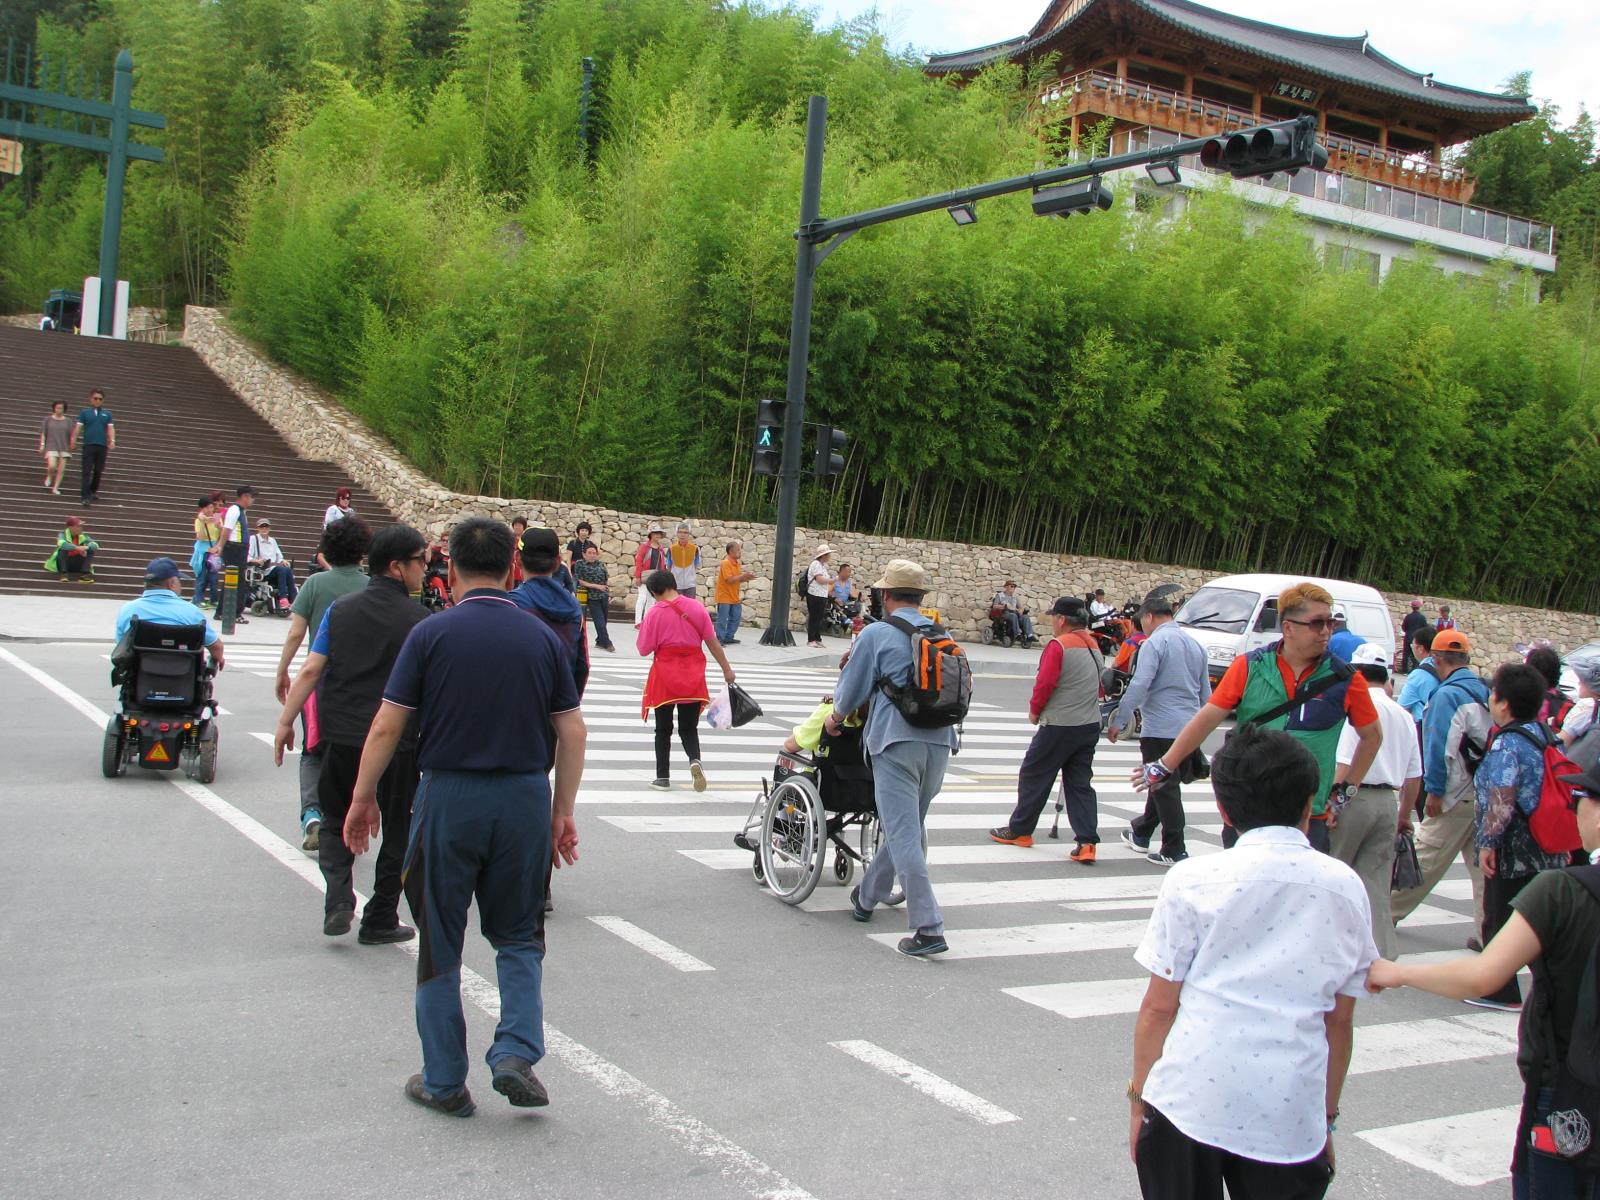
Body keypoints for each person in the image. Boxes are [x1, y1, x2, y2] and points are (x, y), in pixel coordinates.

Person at [345, 516, 586, 1116]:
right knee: (519, 933)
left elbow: (387, 724)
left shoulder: (431, 635)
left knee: (440, 939)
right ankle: (515, 1051)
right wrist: (563, 811)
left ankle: (445, 1081)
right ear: (512, 568)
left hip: (450, 795)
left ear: (447, 569)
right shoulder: (542, 639)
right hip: (525, 796)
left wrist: (361, 796)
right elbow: (571, 731)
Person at [1128, 725, 1370, 1200]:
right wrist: (1325, 1122)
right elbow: (1339, 1021)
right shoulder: (1343, 886)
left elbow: (1159, 1007)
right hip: (1288, 1114)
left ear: (1224, 808)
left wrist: (1139, 1103)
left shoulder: (1194, 879)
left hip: (1188, 1100)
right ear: (1308, 804)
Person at [1367, 760, 1600, 1197]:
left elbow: (1483, 975)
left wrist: (1397, 972)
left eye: (1581, 800)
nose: (1575, 810)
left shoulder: (1563, 891)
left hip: (1568, 1091)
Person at [1132, 581, 1381, 854]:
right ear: (1288, 627)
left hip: (1309, 816)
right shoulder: (1250, 666)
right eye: (1317, 623)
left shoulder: (1346, 679)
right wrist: (1164, 765)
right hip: (1248, 810)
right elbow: (1208, 718)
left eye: (1330, 623)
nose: (1326, 632)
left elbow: (1372, 737)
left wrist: (1345, 793)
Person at [272, 525, 429, 944]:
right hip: (398, 743)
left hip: (342, 737)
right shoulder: (422, 622)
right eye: (419, 561)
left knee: (335, 818)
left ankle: (339, 896)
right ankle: (380, 915)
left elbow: (311, 668)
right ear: (397, 567)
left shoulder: (341, 610)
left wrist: (287, 721)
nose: (424, 568)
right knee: (398, 828)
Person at [830, 559, 959, 956]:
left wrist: (835, 721)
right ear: (920, 597)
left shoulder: (876, 633)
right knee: (908, 825)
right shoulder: (941, 633)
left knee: (902, 833)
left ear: (885, 596)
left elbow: (850, 693)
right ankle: (866, 897)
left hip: (894, 743)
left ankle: (929, 927)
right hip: (940, 742)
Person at [1470, 662, 1573, 1011]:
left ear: (1503, 702)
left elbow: (1501, 797)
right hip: (1547, 843)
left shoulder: (1508, 743)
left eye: (1493, 693)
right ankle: (1557, 991)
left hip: (1515, 846)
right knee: (1542, 920)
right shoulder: (1546, 734)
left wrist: (1488, 843)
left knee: (1499, 916)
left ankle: (1500, 989)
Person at [275, 516, 373, 853]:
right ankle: (349, 814)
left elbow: (295, 633)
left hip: (320, 683)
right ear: (363, 550)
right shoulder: (371, 585)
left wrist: (282, 671)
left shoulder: (315, 585)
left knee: (313, 752)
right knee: (357, 750)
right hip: (364, 684)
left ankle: (313, 813)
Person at [990, 597, 1104, 863]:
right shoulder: (1094, 644)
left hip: (1059, 724)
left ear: (1062, 619)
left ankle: (1020, 830)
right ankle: (1087, 842)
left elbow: (1045, 683)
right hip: (1088, 725)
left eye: (1054, 617)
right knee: (1079, 784)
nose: (1052, 621)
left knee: (1034, 774)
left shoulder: (1059, 645)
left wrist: (1034, 710)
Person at [1393, 629, 1490, 935]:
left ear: (1435, 658)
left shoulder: (1447, 695)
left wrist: (1433, 791)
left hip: (1455, 792)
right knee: (1482, 870)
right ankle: (1489, 931)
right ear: (1466, 658)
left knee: (1425, 857)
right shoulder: (1485, 691)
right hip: (1483, 792)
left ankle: (1383, 912)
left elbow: (1437, 747)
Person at [1331, 643, 1422, 959]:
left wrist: (1336, 803)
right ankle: (1380, 953)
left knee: (1334, 872)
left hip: (1354, 797)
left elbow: (1344, 761)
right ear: (1386, 677)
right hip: (1388, 801)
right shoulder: (1403, 715)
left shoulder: (1355, 705)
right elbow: (1414, 775)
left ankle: (1331, 948)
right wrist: (1404, 815)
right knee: (1375, 882)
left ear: (1355, 672)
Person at [1109, 590, 1211, 866]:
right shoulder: (1195, 645)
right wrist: (1203, 727)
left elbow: (1140, 684)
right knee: (1161, 780)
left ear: (1150, 616)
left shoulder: (1154, 644)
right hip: (1188, 727)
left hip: (1160, 728)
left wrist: (1120, 719)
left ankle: (1174, 848)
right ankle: (1141, 832)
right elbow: (1206, 693)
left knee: (1165, 787)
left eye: (1142, 621)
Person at [638, 568, 735, 791]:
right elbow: (712, 643)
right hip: (692, 674)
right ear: (674, 584)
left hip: (665, 674)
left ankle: (662, 777)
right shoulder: (696, 607)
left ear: (654, 591)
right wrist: (727, 670)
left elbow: (644, 649)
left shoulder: (654, 613)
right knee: (688, 728)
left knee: (663, 729)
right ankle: (695, 761)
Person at [510, 529, 591, 698]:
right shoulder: (574, 607)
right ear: (557, 562)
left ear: (517, 559)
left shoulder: (511, 604)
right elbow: (582, 665)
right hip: (560, 702)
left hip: (520, 702)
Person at [115, 558, 226, 673]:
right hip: (183, 681)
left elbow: (120, 647)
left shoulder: (128, 610)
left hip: (140, 680)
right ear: (171, 584)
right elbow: (217, 648)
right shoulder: (190, 612)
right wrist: (216, 658)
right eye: (179, 581)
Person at [215, 486, 256, 625]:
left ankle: (222, 611)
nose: (252, 500)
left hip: (240, 548)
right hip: (234, 548)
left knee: (231, 581)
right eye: (251, 497)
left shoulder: (242, 512)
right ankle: (235, 613)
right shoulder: (234, 510)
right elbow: (227, 530)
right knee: (237, 582)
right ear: (244, 496)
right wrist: (220, 545)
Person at [70, 388, 113, 506]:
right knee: (86, 471)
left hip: (102, 445)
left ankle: (93, 490)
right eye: (95, 398)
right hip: (89, 445)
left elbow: (110, 428)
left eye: (100, 399)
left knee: (98, 470)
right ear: (91, 399)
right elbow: (78, 427)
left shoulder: (107, 414)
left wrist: (112, 440)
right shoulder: (85, 413)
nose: (98, 401)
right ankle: (85, 496)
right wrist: (73, 439)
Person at [572, 543, 615, 652]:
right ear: (584, 554)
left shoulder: (600, 564)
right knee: (599, 620)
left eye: (594, 553)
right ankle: (607, 643)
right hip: (591, 596)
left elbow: (605, 578)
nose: (592, 555)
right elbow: (580, 581)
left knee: (604, 620)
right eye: (589, 553)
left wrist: (606, 588)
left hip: (603, 595)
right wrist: (596, 586)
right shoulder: (580, 564)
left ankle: (600, 641)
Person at [714, 540, 758, 645]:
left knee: (736, 618)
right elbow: (729, 579)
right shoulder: (725, 563)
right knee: (722, 619)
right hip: (724, 596)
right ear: (730, 551)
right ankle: (719, 639)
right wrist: (742, 576)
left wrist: (746, 578)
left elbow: (737, 579)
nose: (740, 552)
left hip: (734, 596)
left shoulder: (737, 564)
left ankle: (728, 637)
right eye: (737, 549)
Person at [248, 519, 297, 612]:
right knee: (282, 570)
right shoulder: (253, 539)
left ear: (269, 528)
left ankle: (293, 599)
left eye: (266, 526)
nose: (264, 528)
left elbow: (279, 557)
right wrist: (257, 561)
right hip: (262, 570)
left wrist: (283, 561)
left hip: (275, 568)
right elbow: (248, 556)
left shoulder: (272, 541)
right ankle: (284, 599)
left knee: (287, 569)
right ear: (258, 528)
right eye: (262, 526)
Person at [1396, 624, 1439, 722]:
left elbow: (1401, 708)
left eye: (1412, 646)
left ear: (1420, 649)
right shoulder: (1444, 667)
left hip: (1424, 728)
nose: (1412, 648)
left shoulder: (1418, 675)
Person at [633, 524, 670, 625]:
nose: (658, 535)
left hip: (655, 577)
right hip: (644, 576)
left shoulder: (660, 548)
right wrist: (637, 576)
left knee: (651, 600)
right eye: (656, 533)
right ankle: (637, 622)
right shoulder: (644, 547)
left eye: (659, 533)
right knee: (642, 597)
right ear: (651, 534)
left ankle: (646, 622)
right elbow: (639, 561)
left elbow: (662, 563)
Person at [43, 516, 98, 582]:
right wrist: (77, 548)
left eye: (81, 526)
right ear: (71, 527)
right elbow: (61, 543)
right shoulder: (63, 534)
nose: (81, 528)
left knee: (91, 550)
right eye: (78, 526)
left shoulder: (83, 535)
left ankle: (84, 575)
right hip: (62, 564)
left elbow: (95, 545)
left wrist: (87, 547)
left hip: (76, 564)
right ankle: (64, 575)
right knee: (63, 549)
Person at [190, 496, 221, 606]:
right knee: (201, 576)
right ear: (202, 509)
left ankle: (214, 600)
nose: (210, 510)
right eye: (207, 508)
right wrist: (203, 523)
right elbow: (200, 537)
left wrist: (220, 527)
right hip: (202, 550)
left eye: (211, 507)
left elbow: (220, 536)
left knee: (214, 577)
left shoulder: (217, 518)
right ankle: (199, 599)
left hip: (213, 550)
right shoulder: (199, 520)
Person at [804, 543, 837, 648]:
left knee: (819, 617)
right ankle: (811, 639)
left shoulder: (822, 566)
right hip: (814, 594)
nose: (829, 556)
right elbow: (820, 580)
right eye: (828, 554)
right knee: (814, 617)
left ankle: (817, 638)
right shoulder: (816, 564)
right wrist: (832, 580)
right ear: (823, 555)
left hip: (821, 595)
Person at [38, 399, 71, 495]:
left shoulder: (68, 421)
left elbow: (71, 434)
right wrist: (42, 445)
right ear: (54, 408)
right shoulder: (48, 420)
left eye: (61, 408)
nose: (59, 410)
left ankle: (55, 488)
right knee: (52, 465)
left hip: (64, 446)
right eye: (57, 408)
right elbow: (43, 433)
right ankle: (50, 475)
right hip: (51, 445)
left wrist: (72, 445)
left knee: (62, 469)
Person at [991, 581, 1037, 646]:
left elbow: (1021, 607)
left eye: (1014, 587)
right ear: (1006, 587)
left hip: (1015, 613)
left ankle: (1030, 635)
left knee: (1025, 617)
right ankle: (1017, 634)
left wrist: (1021, 610)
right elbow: (994, 606)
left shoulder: (1015, 597)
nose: (1013, 588)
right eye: (1012, 586)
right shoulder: (1000, 595)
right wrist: (1003, 606)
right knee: (1013, 615)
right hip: (1005, 613)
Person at [668, 523, 701, 599]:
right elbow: (669, 566)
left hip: (690, 585)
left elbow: (696, 565)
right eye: (680, 532)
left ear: (689, 534)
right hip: (676, 585)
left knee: (690, 609)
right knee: (677, 609)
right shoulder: (671, 549)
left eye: (685, 532)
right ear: (677, 533)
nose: (682, 535)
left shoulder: (694, 549)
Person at [1400, 598, 1428, 673]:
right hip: (1417, 639)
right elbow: (1425, 627)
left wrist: (1408, 631)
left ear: (1412, 607)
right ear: (1419, 608)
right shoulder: (1422, 617)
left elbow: (1403, 627)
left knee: (1406, 654)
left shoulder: (1408, 617)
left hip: (1408, 637)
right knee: (1415, 655)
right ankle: (1414, 670)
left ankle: (1404, 670)